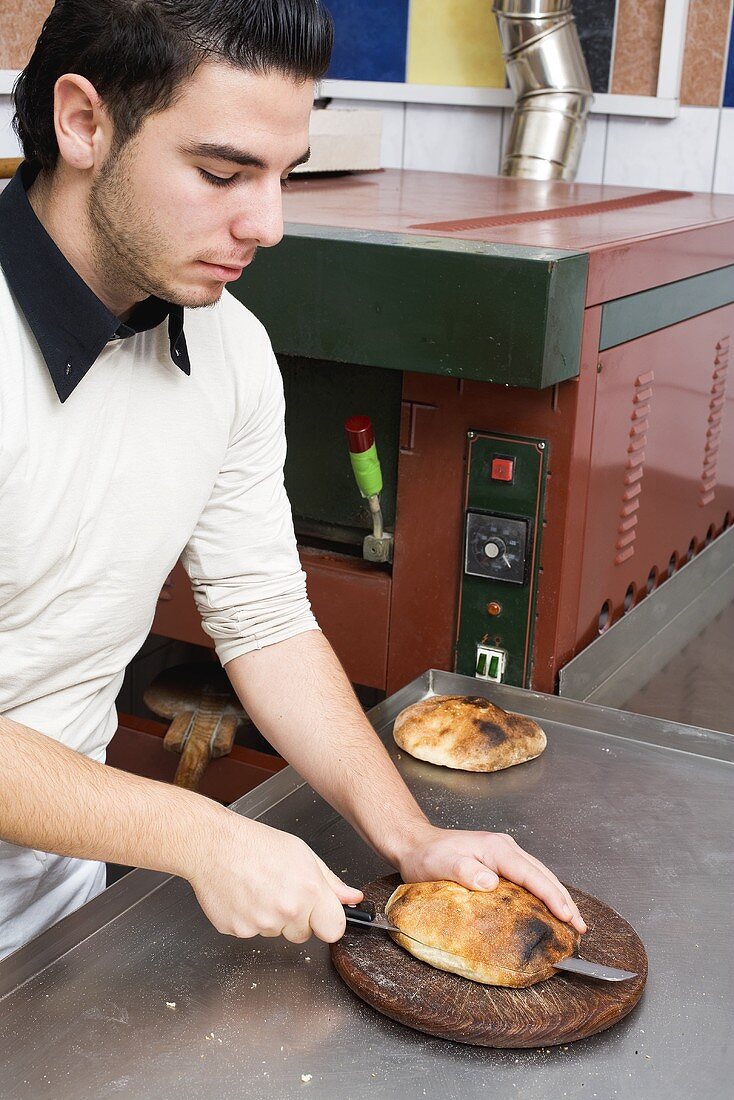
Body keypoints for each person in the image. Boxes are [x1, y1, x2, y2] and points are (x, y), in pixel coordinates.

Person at [0, 0, 586, 961]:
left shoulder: (229, 348)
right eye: (222, 172)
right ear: (83, 123)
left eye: (283, 176)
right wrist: (199, 833)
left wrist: (412, 836)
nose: (266, 224)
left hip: (49, 899)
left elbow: (264, 615)